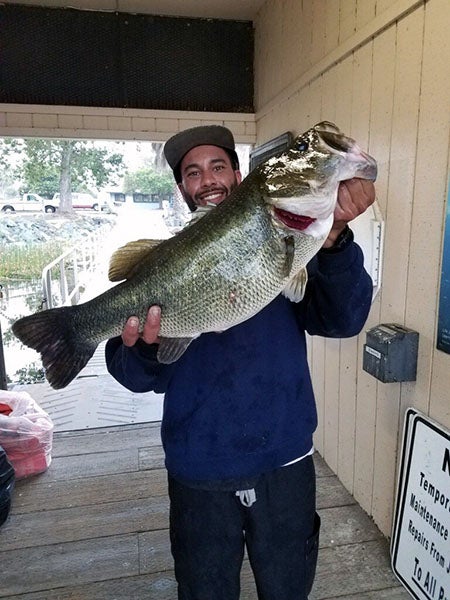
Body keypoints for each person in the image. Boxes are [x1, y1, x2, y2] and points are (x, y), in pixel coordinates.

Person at [105, 125, 375, 599]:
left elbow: (342, 320)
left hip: (284, 459)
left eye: (217, 166)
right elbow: (134, 374)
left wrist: (334, 239)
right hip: (198, 467)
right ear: (183, 188)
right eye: (193, 173)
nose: (207, 179)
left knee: (288, 587)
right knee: (205, 589)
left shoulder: (293, 242)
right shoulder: (169, 262)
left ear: (237, 172)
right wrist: (145, 346)